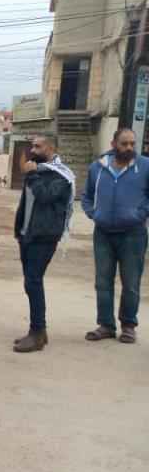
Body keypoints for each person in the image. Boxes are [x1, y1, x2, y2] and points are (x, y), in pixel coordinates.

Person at [82, 128, 149, 344]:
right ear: (114, 144)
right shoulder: (97, 168)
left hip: (133, 234)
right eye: (124, 144)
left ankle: (128, 326)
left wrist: (139, 214)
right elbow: (87, 196)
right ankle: (106, 325)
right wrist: (94, 214)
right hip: (103, 233)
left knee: (130, 282)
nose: (129, 148)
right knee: (103, 281)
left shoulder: (145, 166)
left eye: (132, 143)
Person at [13, 136, 74, 353]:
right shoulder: (38, 170)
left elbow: (46, 196)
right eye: (32, 146)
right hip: (27, 235)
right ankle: (39, 331)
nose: (33, 150)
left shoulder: (61, 175)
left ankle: (37, 332)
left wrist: (31, 174)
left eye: (38, 146)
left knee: (33, 282)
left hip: (44, 236)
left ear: (51, 148)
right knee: (30, 283)